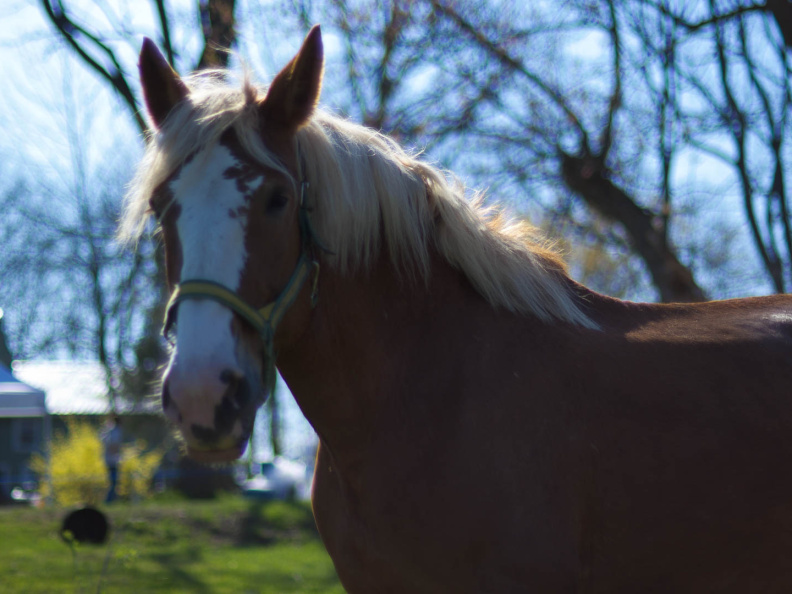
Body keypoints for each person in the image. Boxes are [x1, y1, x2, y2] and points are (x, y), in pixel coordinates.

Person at [100, 415, 122, 503]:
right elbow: (114, 445)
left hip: (107, 459)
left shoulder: (109, 430)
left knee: (113, 481)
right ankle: (109, 500)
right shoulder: (116, 431)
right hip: (113, 460)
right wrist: (118, 456)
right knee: (114, 481)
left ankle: (113, 499)